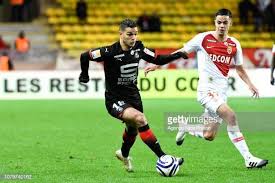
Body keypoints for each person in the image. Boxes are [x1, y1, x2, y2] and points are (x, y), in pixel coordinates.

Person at [145, 9, 268, 169]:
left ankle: (187, 128)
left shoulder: (234, 44)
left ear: (230, 23)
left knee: (209, 135)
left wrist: (250, 84)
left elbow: (239, 69)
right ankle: (248, 158)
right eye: (219, 22)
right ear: (215, 23)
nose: (222, 26)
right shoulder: (203, 38)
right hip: (206, 90)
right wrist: (157, 64)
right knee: (230, 116)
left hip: (221, 93)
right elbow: (181, 52)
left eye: (225, 22)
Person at [78, 19, 188, 172]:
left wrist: (177, 55)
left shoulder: (139, 48)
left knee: (132, 129)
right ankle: (164, 157)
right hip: (114, 99)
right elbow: (85, 56)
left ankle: (123, 154)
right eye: (129, 34)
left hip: (133, 96)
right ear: (121, 34)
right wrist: (84, 75)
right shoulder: (109, 52)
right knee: (140, 119)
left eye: (135, 34)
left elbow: (157, 59)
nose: (133, 38)